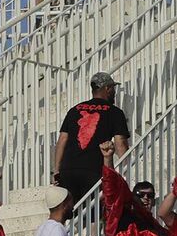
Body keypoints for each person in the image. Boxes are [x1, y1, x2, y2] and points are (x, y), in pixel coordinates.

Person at [51, 71, 130, 208]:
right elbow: (120, 143)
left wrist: (56, 170)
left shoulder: (74, 110)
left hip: (68, 170)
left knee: (71, 212)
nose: (114, 92)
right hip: (93, 170)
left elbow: (62, 140)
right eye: (113, 88)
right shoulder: (114, 112)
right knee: (93, 214)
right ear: (107, 88)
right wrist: (126, 167)